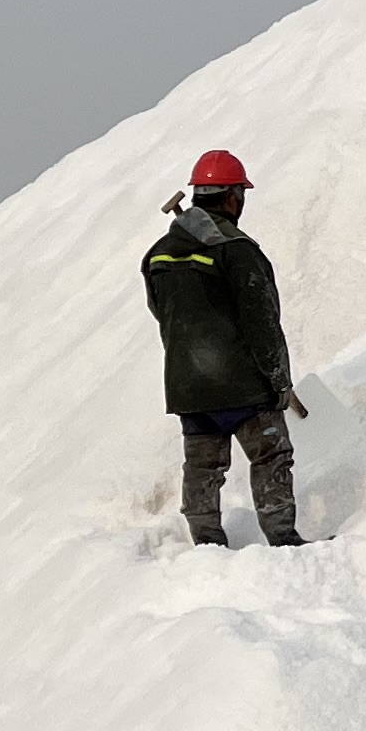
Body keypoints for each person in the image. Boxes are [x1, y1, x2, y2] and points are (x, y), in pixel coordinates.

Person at [144, 148, 308, 548]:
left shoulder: (158, 254)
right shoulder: (237, 251)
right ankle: (283, 540)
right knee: (271, 456)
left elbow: (163, 315)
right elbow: (263, 322)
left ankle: (207, 546)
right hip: (243, 387)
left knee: (202, 468)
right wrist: (279, 380)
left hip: (188, 387)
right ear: (232, 198)